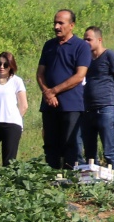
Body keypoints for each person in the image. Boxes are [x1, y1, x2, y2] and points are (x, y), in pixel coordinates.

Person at [36, 10, 92, 169]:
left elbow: (79, 76)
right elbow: (40, 73)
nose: (56, 26)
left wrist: (54, 91)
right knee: (50, 144)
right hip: (49, 104)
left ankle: (71, 182)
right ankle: (52, 178)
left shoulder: (81, 46)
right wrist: (47, 92)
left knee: (70, 143)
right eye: (55, 22)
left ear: (72, 25)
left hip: (71, 105)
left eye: (61, 23)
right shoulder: (49, 45)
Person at [81, 27, 114, 171]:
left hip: (105, 109)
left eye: (89, 39)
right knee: (89, 155)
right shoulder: (86, 60)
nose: (85, 42)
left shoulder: (110, 56)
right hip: (87, 111)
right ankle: (92, 185)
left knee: (109, 152)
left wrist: (113, 105)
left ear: (99, 39)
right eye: (84, 39)